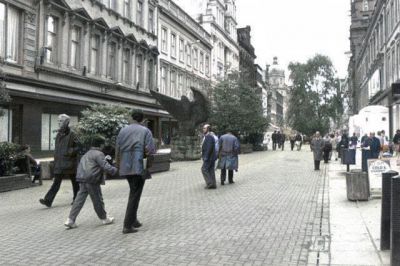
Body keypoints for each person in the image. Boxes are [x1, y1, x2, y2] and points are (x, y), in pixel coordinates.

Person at [64, 135, 118, 229]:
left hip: (82, 178)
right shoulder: (99, 154)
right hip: (92, 179)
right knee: (97, 199)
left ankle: (70, 219)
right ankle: (104, 218)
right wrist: (115, 170)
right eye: (103, 144)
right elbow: (105, 166)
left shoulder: (87, 153)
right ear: (100, 145)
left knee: (79, 200)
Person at [116, 109, 156, 234]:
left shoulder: (123, 130)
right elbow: (150, 150)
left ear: (132, 118)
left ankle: (133, 220)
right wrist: (148, 166)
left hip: (125, 164)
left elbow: (117, 148)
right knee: (135, 194)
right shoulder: (145, 131)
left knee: (134, 192)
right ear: (142, 119)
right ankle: (127, 225)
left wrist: (118, 165)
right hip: (138, 164)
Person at [40, 114, 80, 207]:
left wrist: (70, 151)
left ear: (67, 122)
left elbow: (79, 147)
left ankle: (77, 199)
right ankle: (48, 200)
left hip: (70, 162)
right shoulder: (58, 134)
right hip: (59, 162)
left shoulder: (73, 134)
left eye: (61, 121)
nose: (59, 122)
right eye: (58, 121)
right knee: (56, 182)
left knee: (75, 182)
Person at [201, 124, 217, 189]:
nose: (203, 129)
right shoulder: (209, 136)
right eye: (203, 128)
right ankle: (213, 184)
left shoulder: (209, 137)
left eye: (204, 128)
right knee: (211, 170)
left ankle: (209, 183)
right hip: (212, 157)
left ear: (208, 129)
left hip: (209, 157)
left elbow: (209, 148)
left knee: (204, 169)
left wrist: (206, 157)